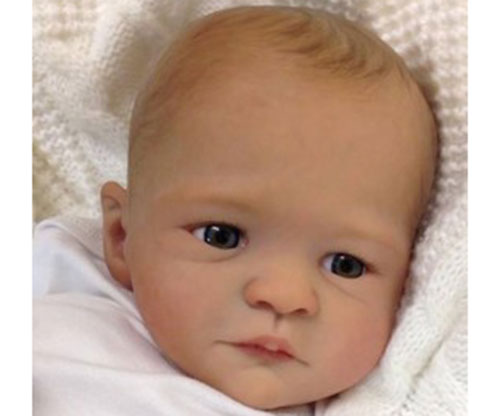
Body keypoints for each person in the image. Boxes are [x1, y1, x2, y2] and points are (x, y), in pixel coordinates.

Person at [33, 5, 437, 414]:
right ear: (122, 237)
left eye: (345, 265)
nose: (283, 296)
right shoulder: (60, 329)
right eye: (221, 237)